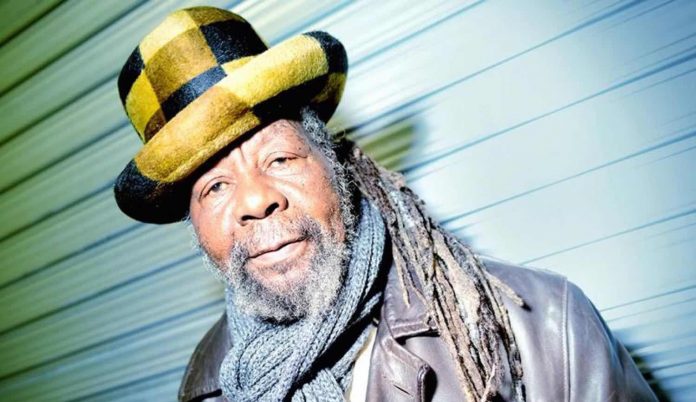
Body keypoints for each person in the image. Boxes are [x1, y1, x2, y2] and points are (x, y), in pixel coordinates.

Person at [113, 6, 657, 402]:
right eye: (214, 187)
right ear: (196, 229)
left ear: (333, 164)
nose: (256, 199)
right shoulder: (207, 382)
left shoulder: (546, 330)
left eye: (279, 158)